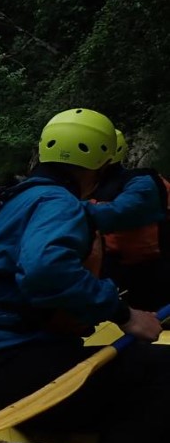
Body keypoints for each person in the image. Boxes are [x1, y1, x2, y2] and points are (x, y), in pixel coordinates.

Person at [0, 107, 166, 443]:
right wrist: (124, 315)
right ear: (102, 164)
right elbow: (45, 269)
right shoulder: (58, 203)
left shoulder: (14, 197)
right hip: (14, 372)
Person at [86, 130, 170, 311]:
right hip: (107, 275)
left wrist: (61, 209)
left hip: (148, 277)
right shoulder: (87, 186)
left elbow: (118, 214)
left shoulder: (142, 182)